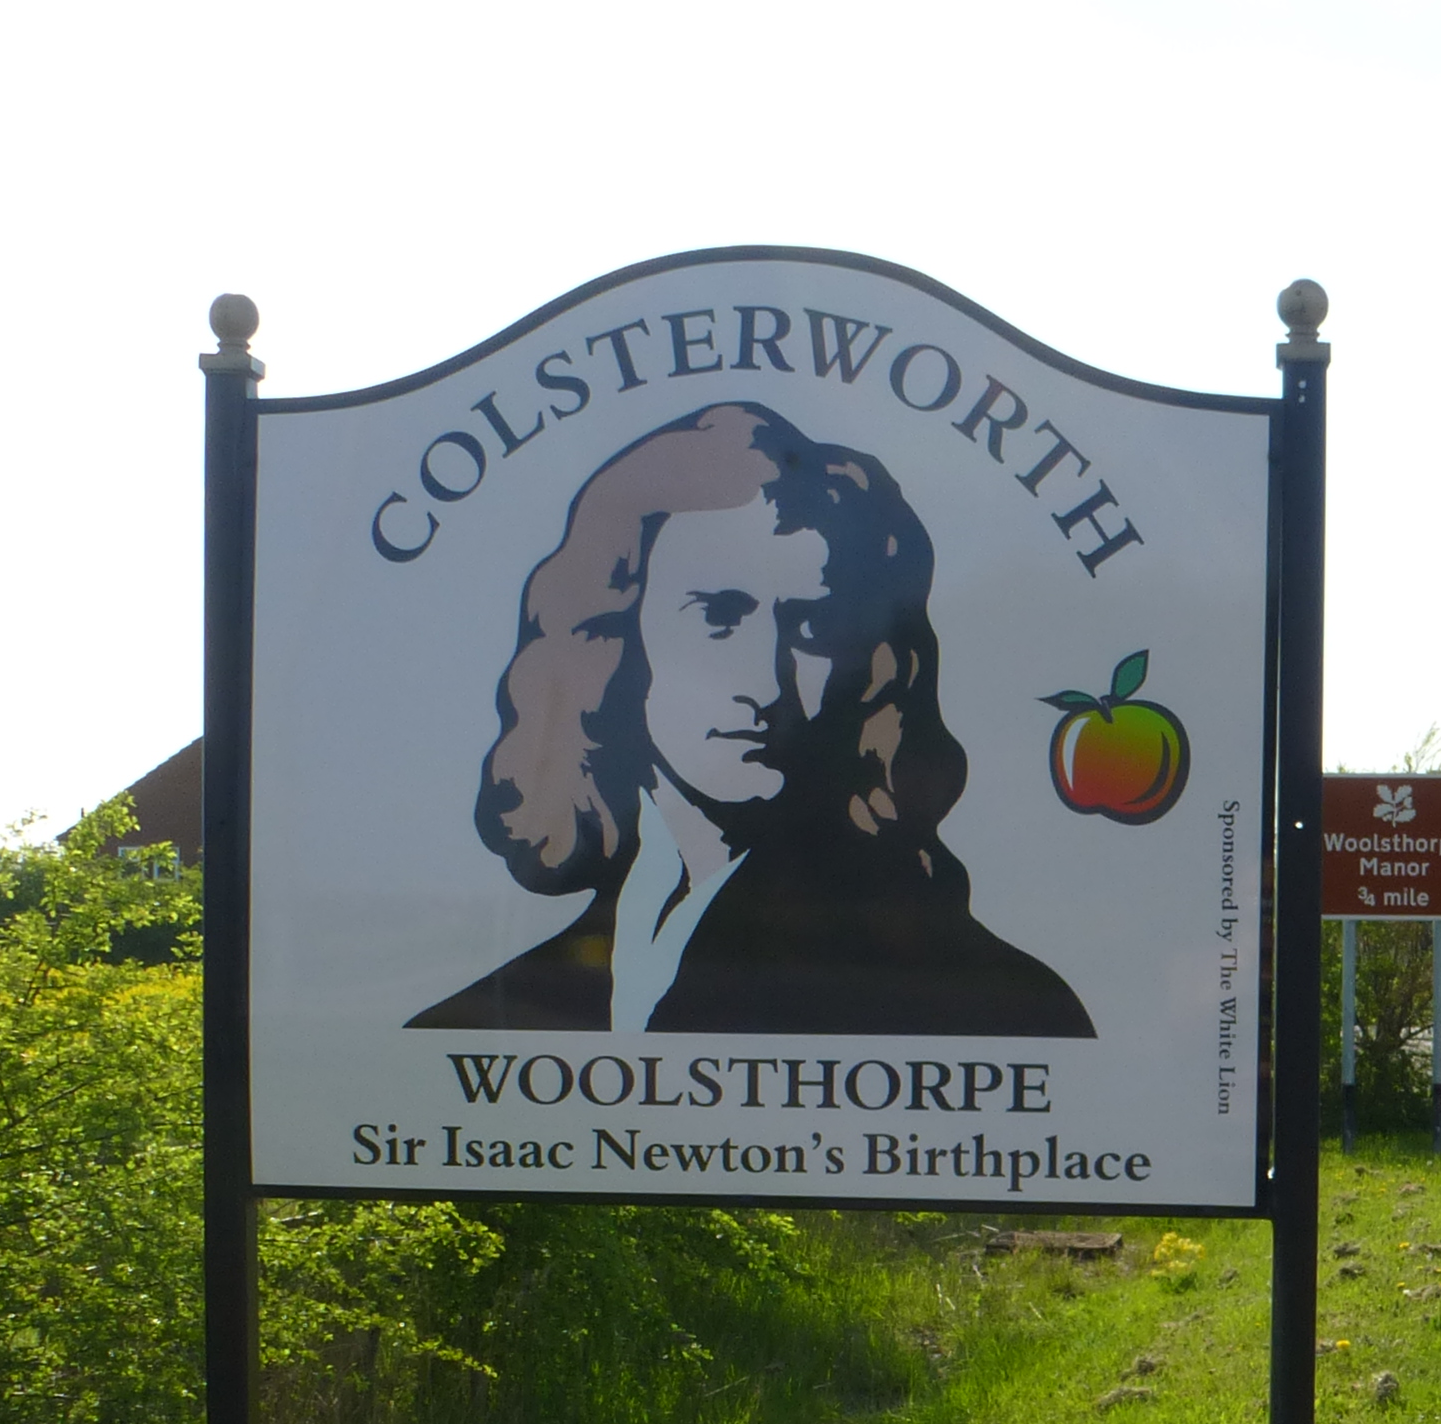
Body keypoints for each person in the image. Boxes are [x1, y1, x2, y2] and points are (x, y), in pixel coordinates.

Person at [405, 400, 1092, 1036]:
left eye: (813, 626)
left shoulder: (995, 1009)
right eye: (718, 616)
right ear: (614, 639)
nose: (769, 682)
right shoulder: (493, 1015)